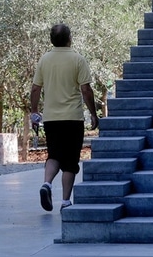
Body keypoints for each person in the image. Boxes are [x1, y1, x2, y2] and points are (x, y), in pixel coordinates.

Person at [30, 24, 99, 212]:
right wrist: (93, 113)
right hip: (72, 118)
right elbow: (86, 90)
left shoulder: (45, 60)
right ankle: (66, 202)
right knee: (70, 161)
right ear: (70, 39)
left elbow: (36, 88)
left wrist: (34, 111)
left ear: (52, 40)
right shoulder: (78, 60)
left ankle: (47, 184)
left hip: (51, 118)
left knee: (53, 155)